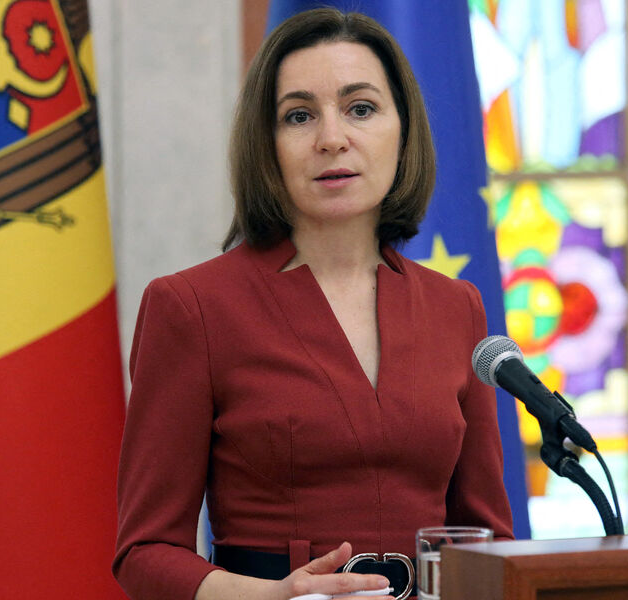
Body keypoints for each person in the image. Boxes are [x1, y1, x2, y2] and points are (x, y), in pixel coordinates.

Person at [113, 8, 515, 600]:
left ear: (403, 131)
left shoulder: (457, 306)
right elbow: (145, 553)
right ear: (267, 144)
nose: (332, 138)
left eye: (361, 108)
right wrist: (273, 597)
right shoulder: (191, 307)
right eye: (299, 116)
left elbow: (489, 540)